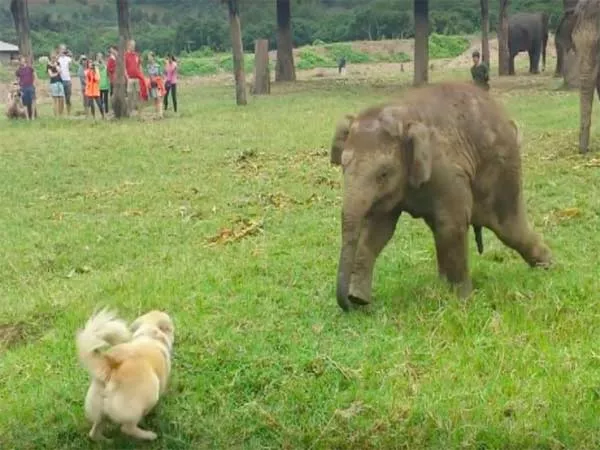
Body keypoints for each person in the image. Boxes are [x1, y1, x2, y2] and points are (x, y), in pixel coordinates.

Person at [125, 40, 148, 114]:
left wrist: (142, 75)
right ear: (128, 46)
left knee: (138, 94)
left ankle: (139, 111)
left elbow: (139, 66)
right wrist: (127, 77)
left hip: (137, 77)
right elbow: (124, 67)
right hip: (130, 78)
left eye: (134, 45)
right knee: (129, 95)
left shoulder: (136, 55)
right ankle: (129, 111)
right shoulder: (126, 55)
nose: (133, 47)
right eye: (132, 45)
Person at [14, 55, 36, 120]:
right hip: (23, 88)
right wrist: (17, 86)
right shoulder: (18, 70)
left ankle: (33, 116)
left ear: (24, 60)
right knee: (25, 103)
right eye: (20, 60)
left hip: (30, 86)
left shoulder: (30, 67)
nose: (22, 61)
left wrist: (34, 84)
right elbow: (17, 79)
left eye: (23, 60)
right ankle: (27, 118)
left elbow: (34, 75)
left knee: (33, 101)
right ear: (19, 62)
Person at [147, 52, 165, 118]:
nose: (149, 58)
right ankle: (156, 114)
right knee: (154, 99)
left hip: (158, 84)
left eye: (150, 57)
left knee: (159, 98)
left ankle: (160, 114)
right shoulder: (148, 66)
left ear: (153, 57)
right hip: (152, 84)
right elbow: (148, 76)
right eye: (148, 57)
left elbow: (161, 75)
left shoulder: (158, 66)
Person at [57, 44, 73, 114]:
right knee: (61, 98)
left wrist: (70, 55)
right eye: (61, 49)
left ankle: (69, 112)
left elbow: (70, 67)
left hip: (67, 80)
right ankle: (61, 113)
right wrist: (58, 55)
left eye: (64, 49)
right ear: (59, 50)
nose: (63, 50)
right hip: (60, 80)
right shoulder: (58, 59)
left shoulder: (68, 59)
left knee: (68, 98)